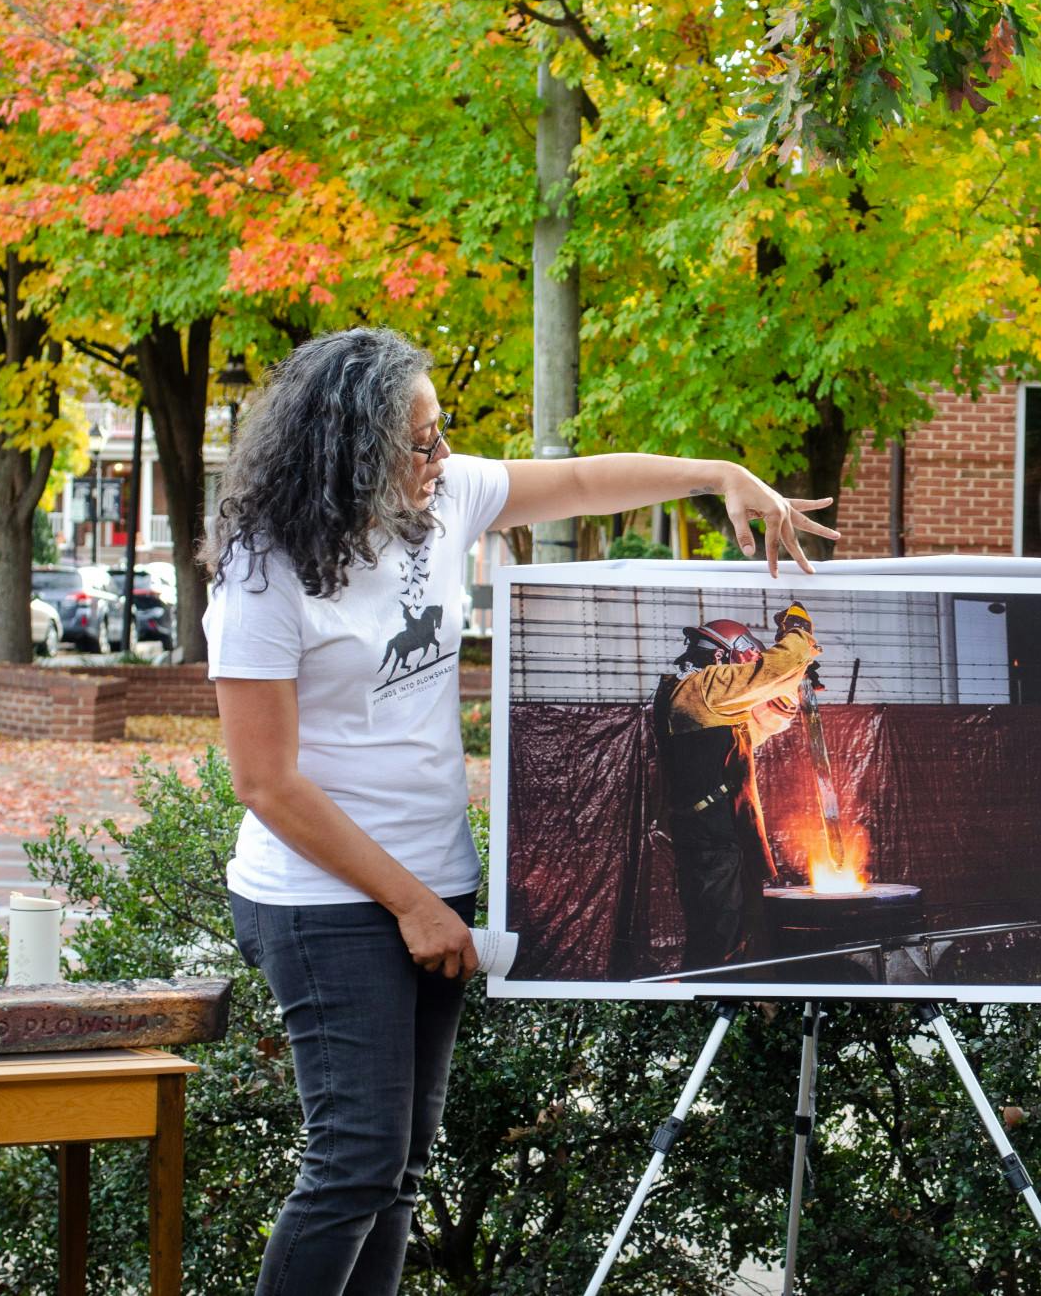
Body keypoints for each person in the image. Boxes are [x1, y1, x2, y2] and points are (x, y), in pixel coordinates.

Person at [204, 327, 837, 1296]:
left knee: (400, 1169)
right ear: (348, 451)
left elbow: (581, 484)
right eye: (418, 442)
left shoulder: (443, 500)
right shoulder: (263, 571)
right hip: (320, 896)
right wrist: (411, 903)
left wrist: (720, 474)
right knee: (354, 1160)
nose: (442, 455)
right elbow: (266, 783)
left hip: (434, 876)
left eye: (441, 431)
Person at [653, 601, 819, 972]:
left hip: (716, 836)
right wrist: (798, 635)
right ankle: (715, 1000)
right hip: (711, 839)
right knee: (720, 940)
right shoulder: (704, 687)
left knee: (731, 933)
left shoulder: (696, 697)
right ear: (724, 655)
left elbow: (760, 724)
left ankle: (726, 994)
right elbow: (770, 669)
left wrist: (793, 682)